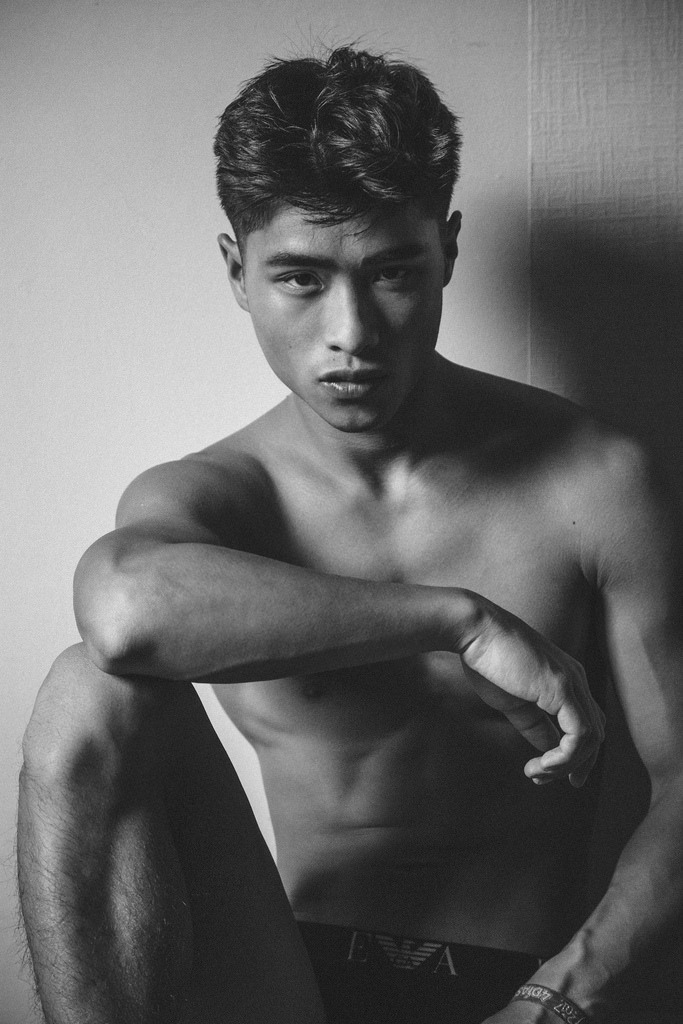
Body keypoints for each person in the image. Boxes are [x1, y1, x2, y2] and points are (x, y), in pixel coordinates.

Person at [17, 46, 683, 1024]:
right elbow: (120, 612)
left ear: (446, 250)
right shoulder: (220, 498)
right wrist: (459, 621)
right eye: (300, 278)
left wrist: (559, 999)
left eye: (392, 273)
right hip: (284, 984)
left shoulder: (594, 480)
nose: (352, 333)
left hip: (524, 982)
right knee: (88, 686)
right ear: (236, 270)